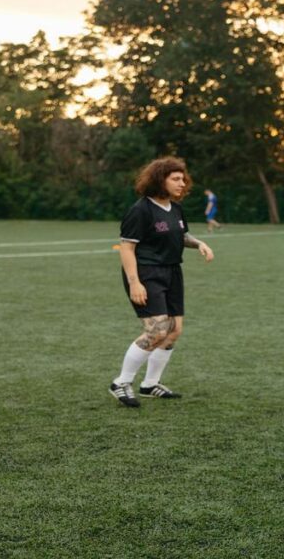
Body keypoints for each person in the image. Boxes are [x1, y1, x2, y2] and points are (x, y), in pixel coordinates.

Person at [110, 157, 214, 408]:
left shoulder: (175, 208)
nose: (182, 183)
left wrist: (198, 243)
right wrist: (135, 283)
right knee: (157, 330)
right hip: (146, 273)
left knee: (174, 330)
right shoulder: (141, 210)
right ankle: (121, 383)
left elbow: (181, 233)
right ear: (160, 180)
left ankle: (149, 384)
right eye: (175, 179)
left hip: (172, 271)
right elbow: (126, 248)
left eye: (183, 178)